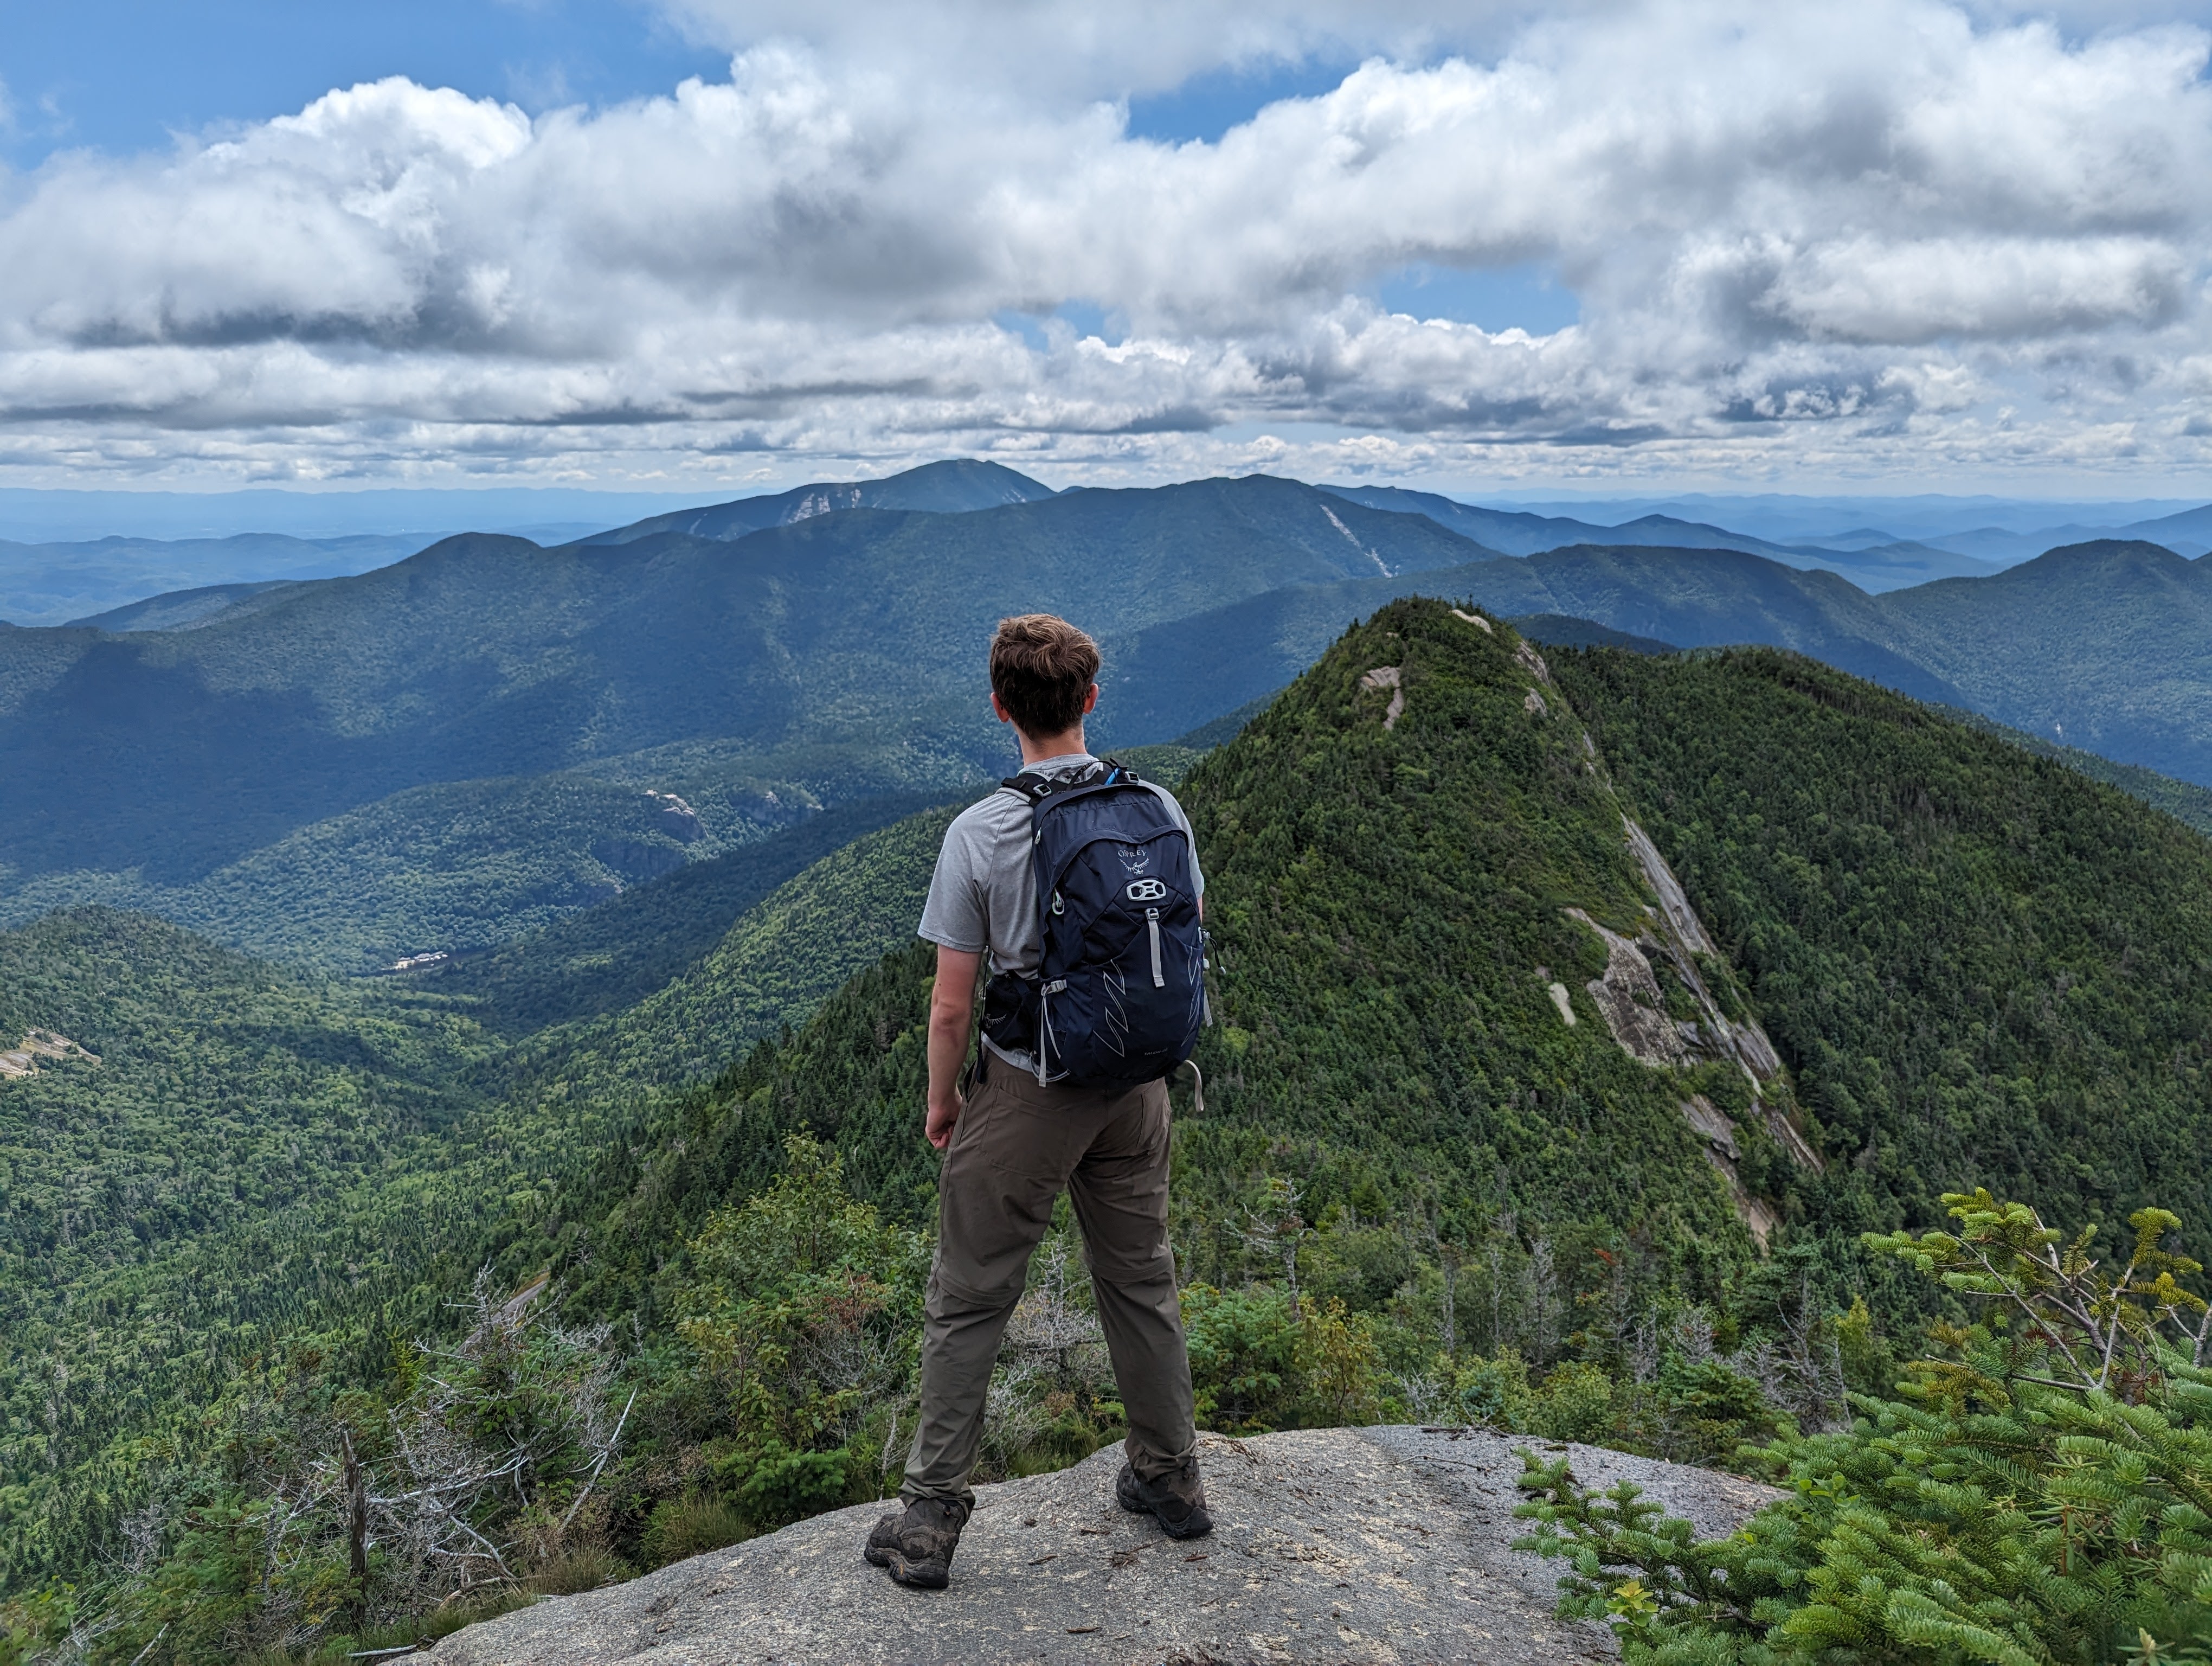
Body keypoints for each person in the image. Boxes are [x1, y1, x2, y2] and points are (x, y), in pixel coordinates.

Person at [864, 613, 1213, 1591]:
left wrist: (945, 1106)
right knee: (1141, 1277)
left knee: (972, 1296)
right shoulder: (1161, 809)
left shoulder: (982, 831)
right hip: (1138, 1088)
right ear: (1091, 700)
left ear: (999, 707)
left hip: (1027, 1090)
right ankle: (1172, 1481)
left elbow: (950, 1003)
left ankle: (931, 1520)